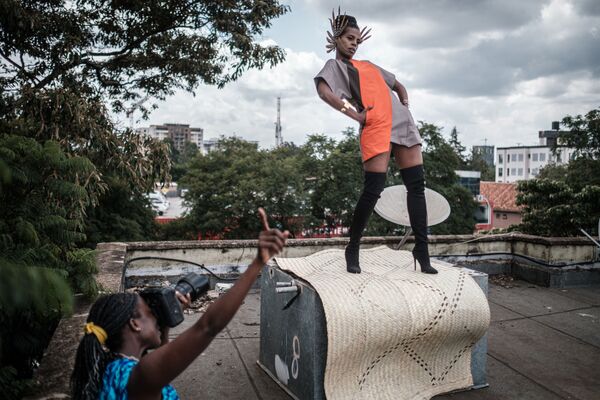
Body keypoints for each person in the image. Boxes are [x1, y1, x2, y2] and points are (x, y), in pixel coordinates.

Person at [71, 208, 289, 399]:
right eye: (150, 313)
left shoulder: (113, 369)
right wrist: (259, 262)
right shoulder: (141, 375)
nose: (156, 318)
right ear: (135, 324)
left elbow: (162, 365)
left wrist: (165, 324)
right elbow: (208, 327)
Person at [314, 9, 437, 275]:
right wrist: (355, 114)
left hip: (403, 124)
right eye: (348, 38)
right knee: (373, 190)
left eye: (357, 40)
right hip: (376, 125)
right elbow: (324, 92)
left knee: (417, 187)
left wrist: (405, 106)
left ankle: (422, 250)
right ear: (336, 38)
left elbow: (399, 86)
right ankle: (353, 247)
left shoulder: (369, 66)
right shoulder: (334, 67)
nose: (353, 43)